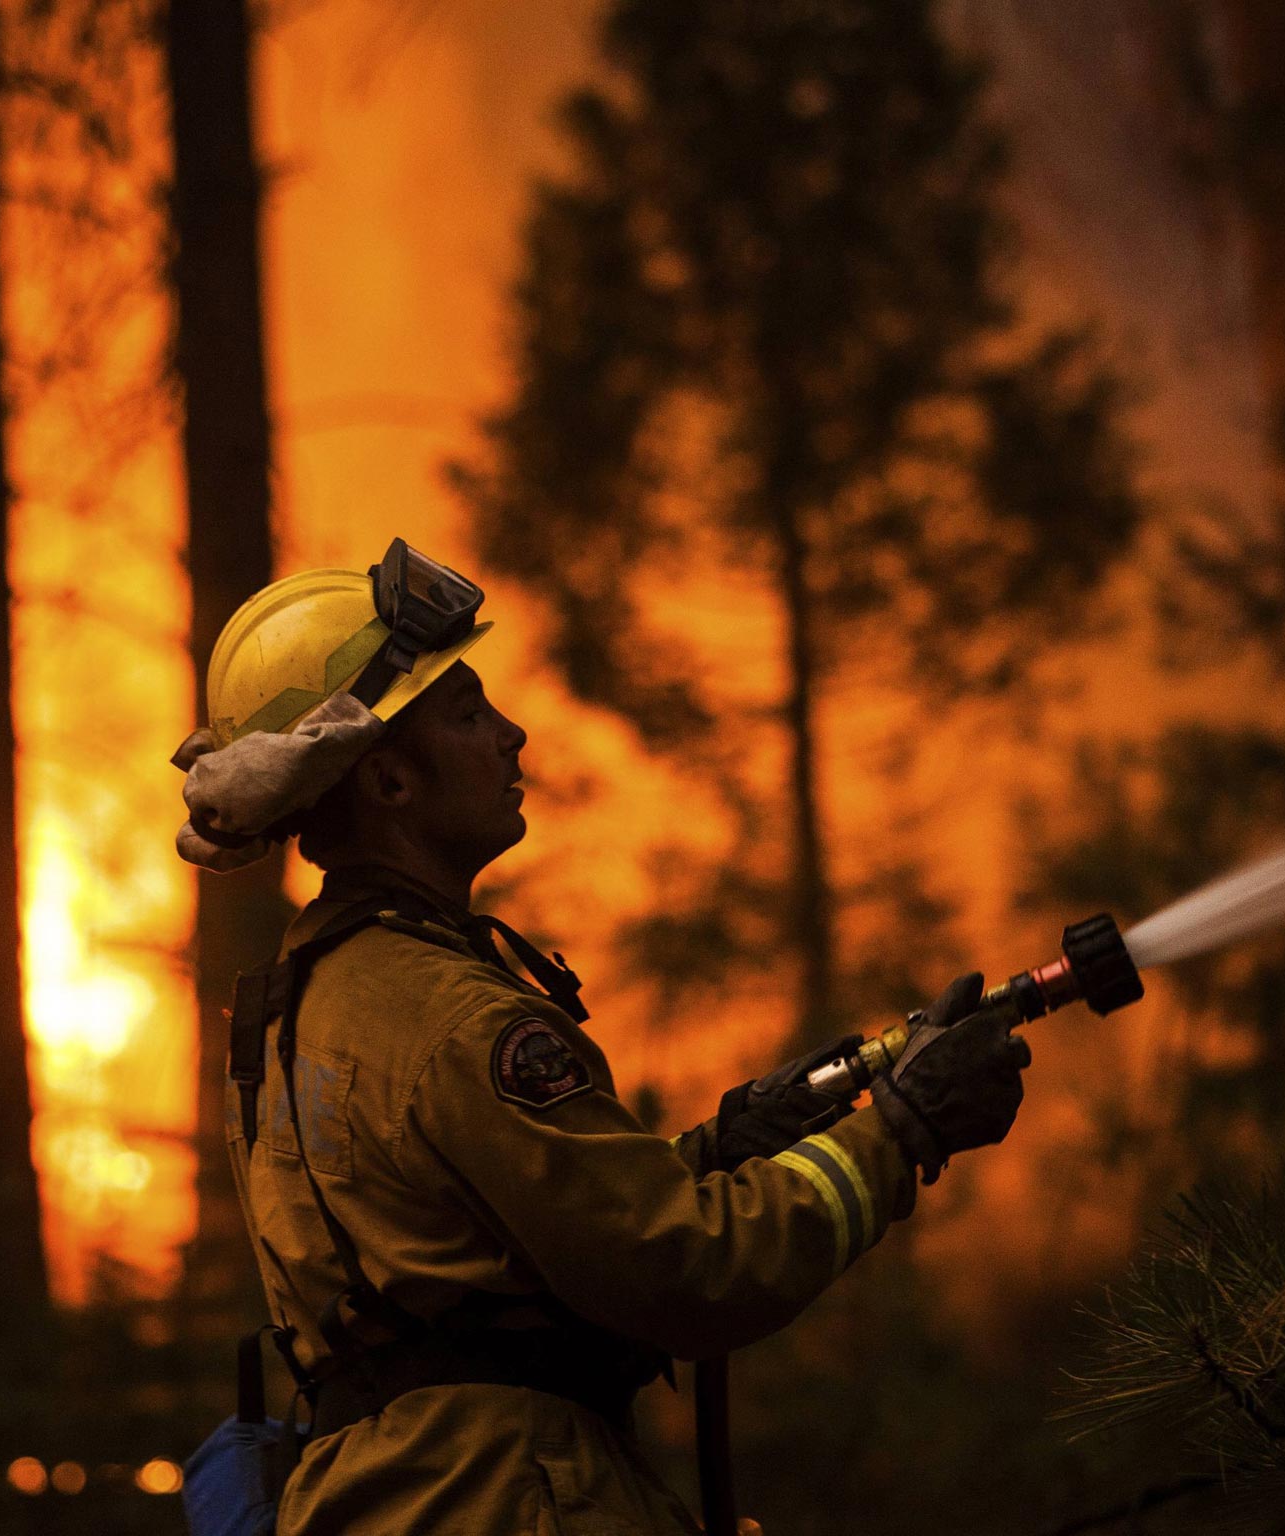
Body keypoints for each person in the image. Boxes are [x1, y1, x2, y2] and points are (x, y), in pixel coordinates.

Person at [172, 541, 1029, 1535]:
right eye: (465, 713)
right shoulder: (458, 1019)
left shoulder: (294, 1009)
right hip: (507, 1499)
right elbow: (683, 1274)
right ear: (388, 784)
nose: (510, 735)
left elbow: (480, 1262)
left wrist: (727, 1147)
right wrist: (901, 1131)